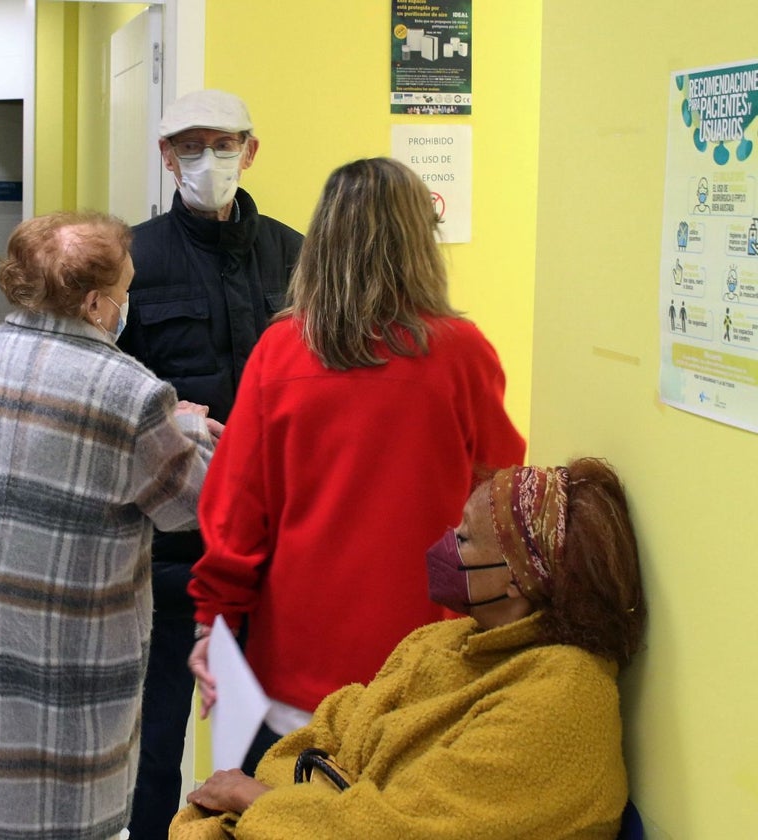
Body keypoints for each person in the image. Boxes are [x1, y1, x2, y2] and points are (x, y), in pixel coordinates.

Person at [187, 157, 527, 772]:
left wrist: (212, 621)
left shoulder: (280, 350)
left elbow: (237, 511)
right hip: (426, 666)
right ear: (420, 242)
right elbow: (502, 500)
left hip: (294, 670)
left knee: (288, 820)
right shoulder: (461, 354)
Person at [0, 211, 217, 839]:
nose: (127, 304)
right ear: (97, 302)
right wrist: (183, 426)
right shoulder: (130, 392)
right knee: (63, 817)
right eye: (126, 291)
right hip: (70, 664)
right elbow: (192, 504)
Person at [173, 457, 648, 840]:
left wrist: (254, 800)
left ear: (518, 579)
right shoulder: (444, 641)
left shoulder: (562, 702)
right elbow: (327, 734)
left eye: (463, 538)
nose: (444, 545)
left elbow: (399, 829)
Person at [119, 89, 303, 838]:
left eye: (222, 144)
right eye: (189, 146)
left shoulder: (295, 253)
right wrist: (167, 412)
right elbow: (108, 384)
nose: (208, 160)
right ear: (166, 158)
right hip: (174, 541)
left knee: (267, 737)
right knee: (158, 738)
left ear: (250, 150)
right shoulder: (134, 255)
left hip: (277, 538)